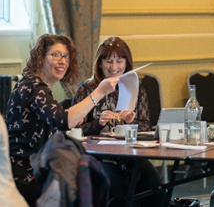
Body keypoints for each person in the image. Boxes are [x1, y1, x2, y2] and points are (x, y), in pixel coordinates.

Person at [5, 34, 119, 206]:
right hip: (22, 174)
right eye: (55, 55)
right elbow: (63, 120)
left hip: (29, 169)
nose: (62, 61)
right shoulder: (35, 87)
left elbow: (57, 118)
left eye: (66, 57)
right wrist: (99, 92)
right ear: (40, 58)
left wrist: (72, 116)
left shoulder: (34, 85)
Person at [72, 36, 165, 206]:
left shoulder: (136, 87)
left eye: (119, 61)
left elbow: (146, 126)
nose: (114, 67)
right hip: (100, 157)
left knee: (158, 191)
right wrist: (97, 124)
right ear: (99, 64)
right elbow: (73, 130)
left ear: (126, 63)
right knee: (117, 193)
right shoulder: (86, 89)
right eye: (108, 61)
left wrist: (131, 121)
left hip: (131, 156)